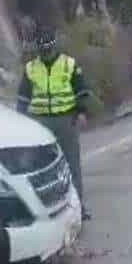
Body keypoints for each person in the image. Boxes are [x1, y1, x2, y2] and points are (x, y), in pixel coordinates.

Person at [17, 29, 93, 220]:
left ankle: (79, 208)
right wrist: (19, 120)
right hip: (40, 122)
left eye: (48, 50)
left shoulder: (69, 64)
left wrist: (82, 112)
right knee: (42, 167)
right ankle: (47, 210)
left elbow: (81, 90)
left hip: (66, 119)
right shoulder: (31, 68)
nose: (46, 54)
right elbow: (23, 97)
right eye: (42, 50)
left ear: (54, 46)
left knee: (72, 164)